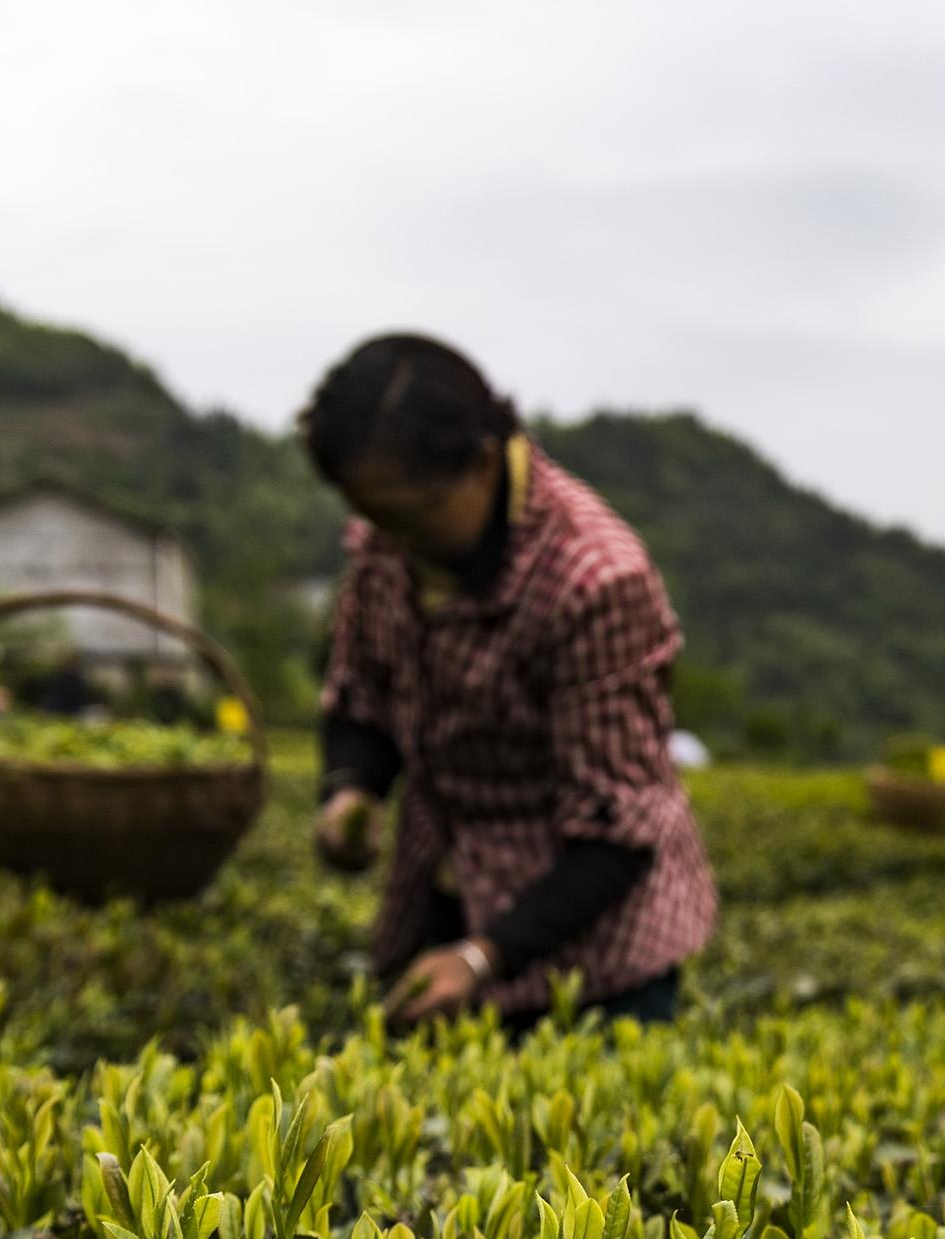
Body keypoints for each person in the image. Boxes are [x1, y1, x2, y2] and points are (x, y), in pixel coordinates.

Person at [304, 334, 716, 1031]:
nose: (389, 540)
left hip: (594, 959)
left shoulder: (593, 579)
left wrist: (481, 957)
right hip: (447, 903)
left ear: (483, 464)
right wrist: (352, 789)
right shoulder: (387, 540)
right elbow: (363, 691)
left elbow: (617, 823)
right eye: (372, 516)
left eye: (409, 516)